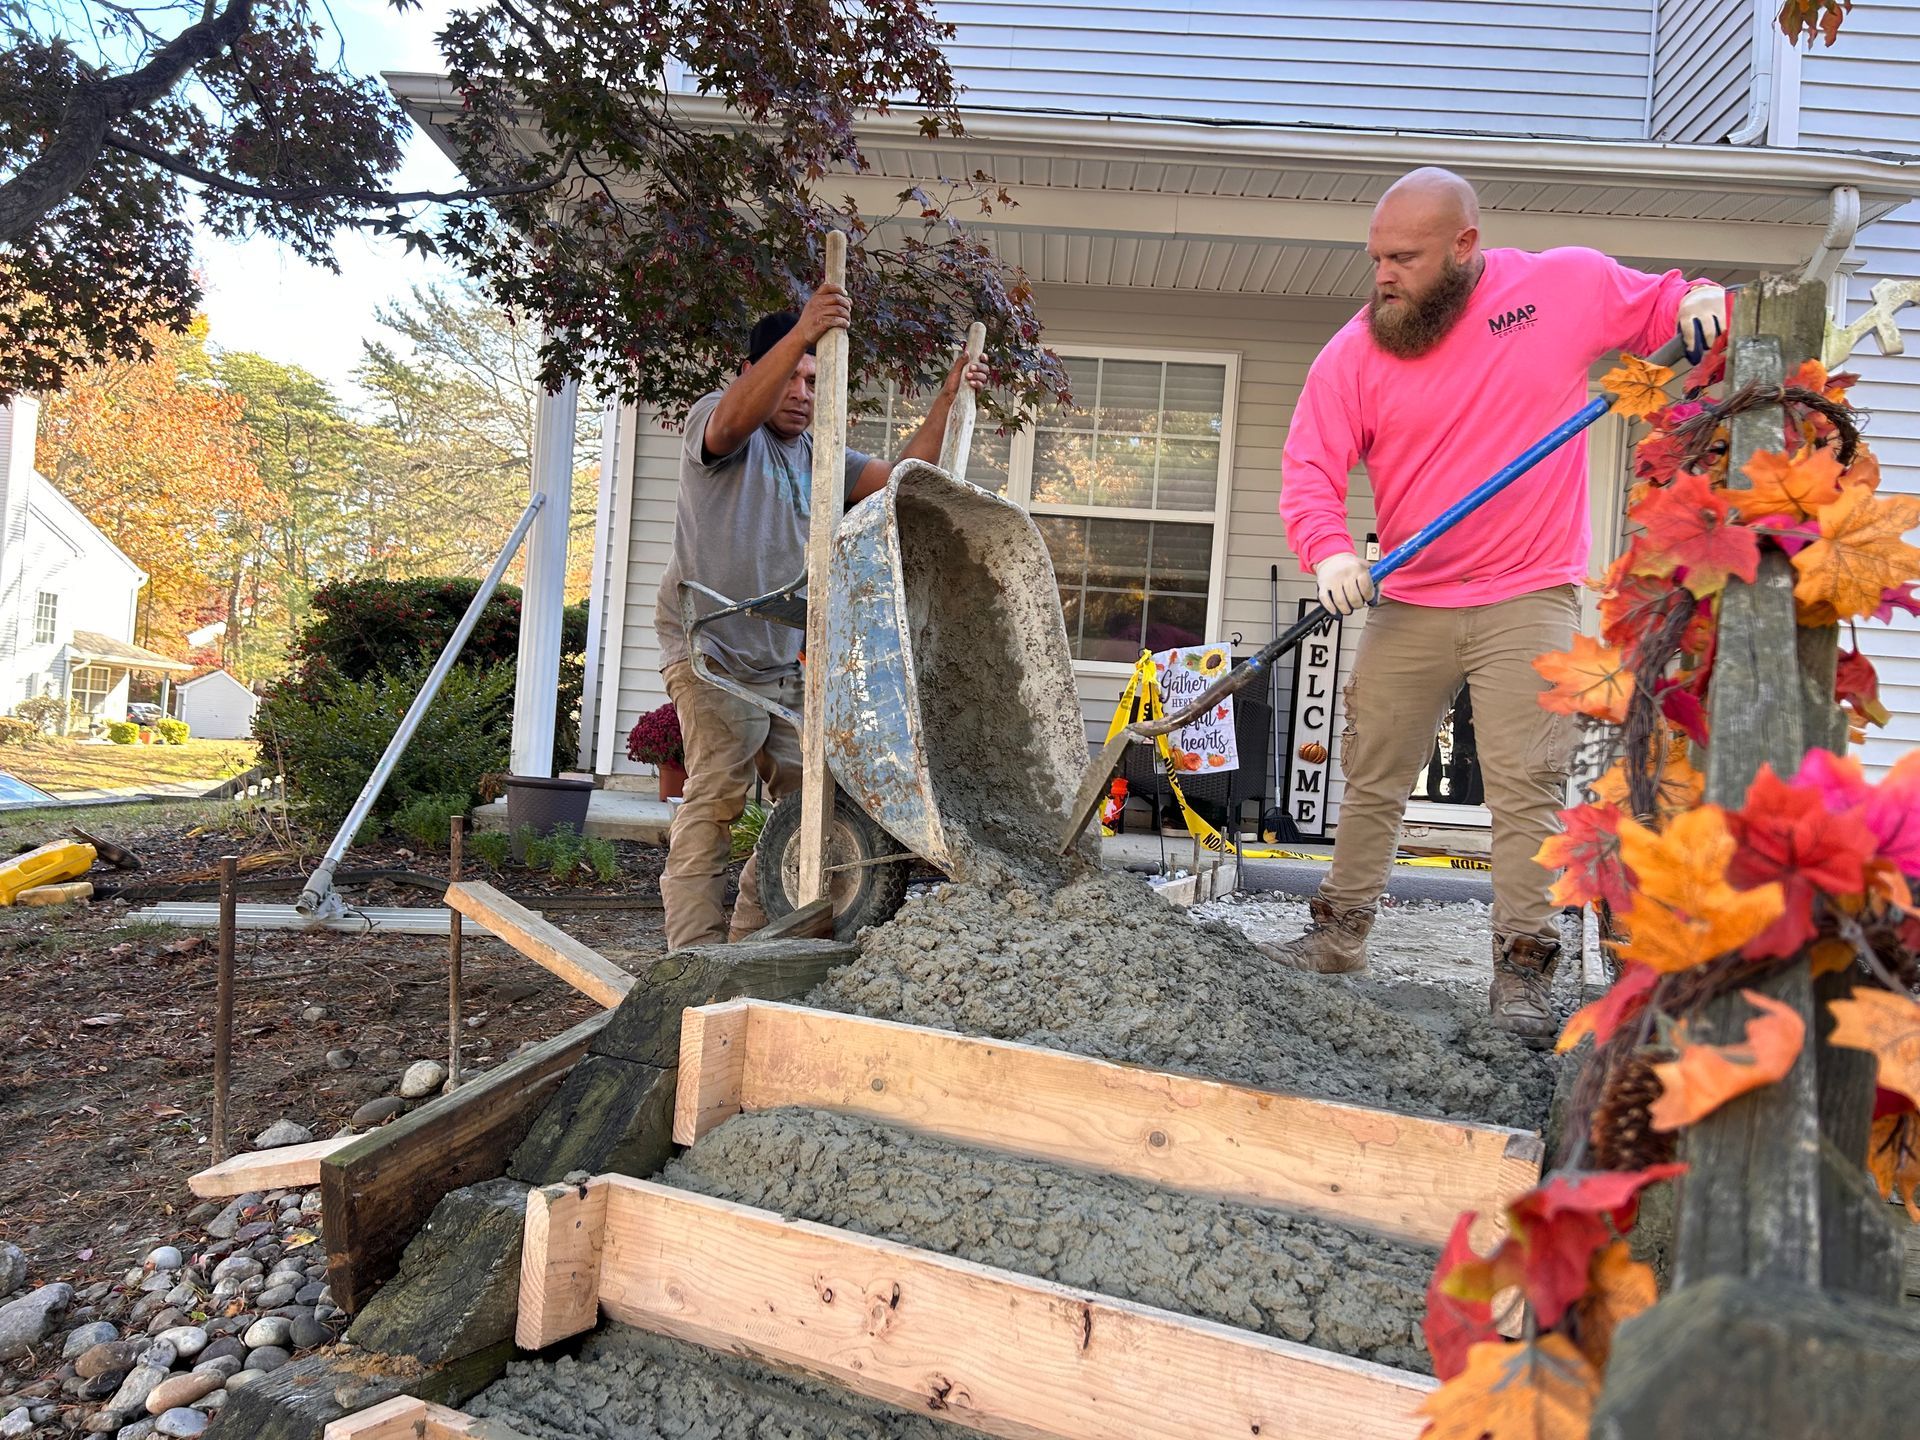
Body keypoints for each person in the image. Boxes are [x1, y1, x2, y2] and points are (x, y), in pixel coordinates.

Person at [1269, 166, 1726, 1043]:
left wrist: (1702, 297)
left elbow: (1673, 304)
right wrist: (1329, 552)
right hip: (1411, 597)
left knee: (1527, 786)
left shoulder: (1560, 287)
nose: (1384, 275)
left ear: (1465, 246)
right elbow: (1309, 472)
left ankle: (1522, 970)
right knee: (1371, 776)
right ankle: (1338, 938)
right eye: (1377, 257)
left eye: (1404, 257)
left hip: (1529, 591)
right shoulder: (1357, 351)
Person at [655, 284, 988, 950]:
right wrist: (805, 329)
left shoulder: (822, 457)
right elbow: (731, 421)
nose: (805, 391)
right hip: (712, 652)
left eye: (816, 379)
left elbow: (902, 476)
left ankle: (752, 942)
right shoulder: (718, 426)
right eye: (795, 375)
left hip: (780, 661)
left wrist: (949, 399)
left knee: (812, 807)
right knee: (716, 796)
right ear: (755, 370)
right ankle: (690, 958)